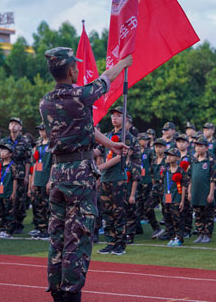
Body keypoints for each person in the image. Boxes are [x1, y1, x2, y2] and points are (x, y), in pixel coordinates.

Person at [39, 47, 131, 302]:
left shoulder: (45, 101)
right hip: (79, 176)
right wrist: (123, 63)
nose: (78, 70)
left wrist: (111, 145)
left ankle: (57, 292)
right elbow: (106, 78)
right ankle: (71, 294)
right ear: (71, 71)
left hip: (58, 174)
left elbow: (84, 128)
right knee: (77, 240)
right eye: (76, 67)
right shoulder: (80, 95)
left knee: (57, 238)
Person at [97, 106, 140, 256]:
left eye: (118, 115)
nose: (114, 118)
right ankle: (110, 242)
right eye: (113, 115)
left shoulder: (126, 137)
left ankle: (120, 244)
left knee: (118, 212)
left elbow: (120, 156)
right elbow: (98, 150)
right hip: (105, 178)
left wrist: (99, 167)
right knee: (107, 212)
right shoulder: (107, 135)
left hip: (118, 178)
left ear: (126, 119)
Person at [1, 117, 32, 234]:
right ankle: (6, 223)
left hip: (20, 173)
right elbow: (0, 159)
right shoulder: (4, 141)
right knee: (6, 198)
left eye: (16, 124)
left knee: (19, 199)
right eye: (11, 124)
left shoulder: (25, 141)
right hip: (6, 174)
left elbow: (28, 160)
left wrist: (26, 175)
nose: (13, 126)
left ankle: (18, 223)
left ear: (20, 127)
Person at [188, 135, 216, 243]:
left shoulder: (210, 161)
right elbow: (190, 178)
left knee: (208, 215)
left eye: (201, 146)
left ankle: (207, 234)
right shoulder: (193, 160)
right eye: (196, 146)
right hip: (196, 192)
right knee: (198, 215)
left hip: (206, 192)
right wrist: (189, 192)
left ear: (206, 147)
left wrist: (211, 193)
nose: (198, 148)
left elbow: (213, 179)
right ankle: (200, 233)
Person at [161, 148, 189, 246]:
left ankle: (179, 238)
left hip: (176, 198)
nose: (168, 157)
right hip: (167, 198)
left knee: (177, 219)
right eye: (167, 155)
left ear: (177, 158)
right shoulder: (166, 170)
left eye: (171, 155)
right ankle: (172, 236)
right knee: (167, 218)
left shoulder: (181, 171)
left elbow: (184, 186)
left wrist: (182, 201)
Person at [29, 124, 52, 240]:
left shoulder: (52, 144)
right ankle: (40, 228)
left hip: (46, 178)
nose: (41, 132)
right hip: (37, 178)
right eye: (40, 130)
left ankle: (48, 229)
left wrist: (50, 180)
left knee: (47, 205)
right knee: (37, 205)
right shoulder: (38, 144)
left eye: (43, 130)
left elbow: (54, 164)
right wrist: (33, 180)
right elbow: (34, 163)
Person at [0, 143, 17, 239]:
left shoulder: (12, 166)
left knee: (9, 212)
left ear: (10, 154)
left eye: (5, 151)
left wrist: (14, 192)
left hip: (9, 191)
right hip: (1, 192)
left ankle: (9, 231)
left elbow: (15, 179)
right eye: (1, 151)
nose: (2, 153)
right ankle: (2, 230)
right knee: (1, 212)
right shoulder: (0, 165)